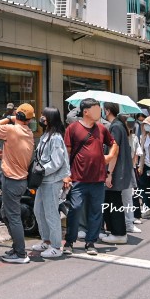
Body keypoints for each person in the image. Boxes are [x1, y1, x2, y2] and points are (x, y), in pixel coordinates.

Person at [62, 98, 118, 256]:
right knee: (75, 209)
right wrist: (66, 174)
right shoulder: (72, 128)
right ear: (85, 111)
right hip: (78, 178)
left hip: (98, 179)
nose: (99, 112)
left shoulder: (102, 128)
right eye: (96, 109)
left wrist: (110, 156)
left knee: (96, 211)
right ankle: (69, 241)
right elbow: (66, 153)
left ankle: (91, 242)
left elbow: (114, 144)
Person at [0, 103, 36, 264]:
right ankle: (17, 247)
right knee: (6, 213)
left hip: (12, 181)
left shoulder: (12, 129)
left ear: (18, 115)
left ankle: (21, 253)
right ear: (29, 119)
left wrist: (9, 118)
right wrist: (4, 156)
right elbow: (18, 156)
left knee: (13, 217)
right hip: (20, 179)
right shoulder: (28, 133)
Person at [30, 107, 70, 259]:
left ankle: (55, 246)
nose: (41, 118)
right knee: (38, 210)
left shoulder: (56, 138)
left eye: (43, 116)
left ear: (50, 118)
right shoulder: (47, 134)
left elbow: (57, 162)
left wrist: (41, 171)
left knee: (51, 212)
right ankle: (46, 240)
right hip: (43, 180)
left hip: (52, 180)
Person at [100, 102, 130, 245]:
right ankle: (115, 232)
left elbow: (114, 151)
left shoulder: (115, 127)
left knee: (113, 201)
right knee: (113, 200)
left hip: (115, 171)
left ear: (107, 111)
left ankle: (118, 233)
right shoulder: (119, 125)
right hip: (119, 170)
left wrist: (109, 173)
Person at [124, 116, 143, 231]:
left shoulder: (134, 138)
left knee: (130, 196)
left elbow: (137, 153)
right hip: (122, 169)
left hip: (130, 168)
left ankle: (130, 220)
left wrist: (135, 165)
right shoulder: (121, 136)